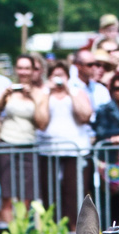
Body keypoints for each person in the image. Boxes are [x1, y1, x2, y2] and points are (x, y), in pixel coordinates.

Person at [36, 59, 92, 224]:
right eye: (55, 76)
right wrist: (47, 92)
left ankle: (75, 230)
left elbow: (85, 116)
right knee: (50, 193)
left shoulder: (77, 92)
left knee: (73, 193)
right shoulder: (43, 94)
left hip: (75, 150)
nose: (58, 79)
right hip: (49, 150)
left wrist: (69, 91)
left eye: (61, 76)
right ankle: (53, 229)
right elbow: (41, 121)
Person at [0, 55, 43, 224]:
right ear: (16, 69)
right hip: (7, 144)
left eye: (27, 68)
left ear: (33, 70)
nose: (23, 72)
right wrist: (3, 95)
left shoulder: (39, 93)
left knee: (26, 196)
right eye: (20, 68)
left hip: (28, 145)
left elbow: (41, 122)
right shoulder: (8, 89)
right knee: (7, 194)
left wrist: (34, 99)